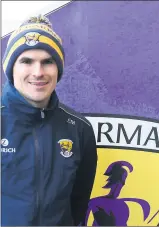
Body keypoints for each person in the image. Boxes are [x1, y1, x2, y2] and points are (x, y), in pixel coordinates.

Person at [1, 15, 97, 226]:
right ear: (10, 68)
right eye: (26, 61)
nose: (38, 72)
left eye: (47, 62)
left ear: (58, 69)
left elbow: (78, 204)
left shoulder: (80, 130)